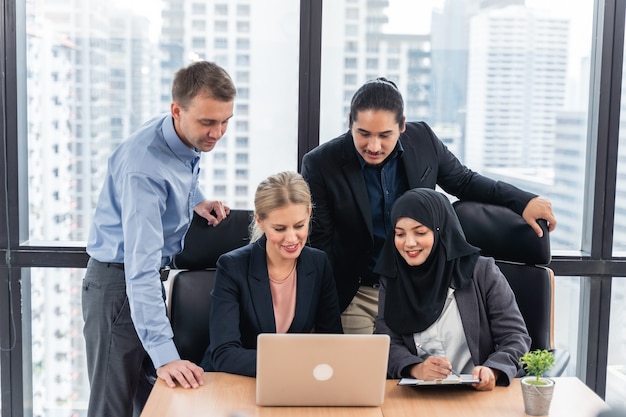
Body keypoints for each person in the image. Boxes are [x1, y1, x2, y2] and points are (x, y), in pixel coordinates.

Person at [301, 77, 557, 334]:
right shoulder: (321, 163)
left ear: (402, 126)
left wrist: (522, 201)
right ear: (350, 124)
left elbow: (465, 181)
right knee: (366, 370)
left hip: (419, 288)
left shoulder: (422, 139)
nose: (374, 146)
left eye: (384, 135)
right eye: (364, 134)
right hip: (360, 293)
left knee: (425, 370)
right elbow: (320, 245)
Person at [82, 61, 236, 417]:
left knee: (149, 407)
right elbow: (140, 269)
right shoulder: (144, 170)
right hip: (119, 288)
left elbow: (180, 170)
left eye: (225, 120)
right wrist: (166, 355)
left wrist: (195, 200)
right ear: (177, 110)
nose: (218, 132)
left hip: (135, 287)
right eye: (208, 122)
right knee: (111, 409)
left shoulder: (176, 134)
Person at [374, 188, 531, 390]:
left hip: (478, 394)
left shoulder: (482, 272)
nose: (409, 243)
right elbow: (387, 343)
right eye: (400, 234)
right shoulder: (393, 277)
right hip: (421, 396)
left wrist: (493, 370)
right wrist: (416, 368)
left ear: (441, 230)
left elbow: (515, 337)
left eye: (420, 232)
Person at [201, 171, 343, 377]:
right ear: (260, 221)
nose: (292, 238)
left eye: (299, 226)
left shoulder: (318, 263)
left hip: (293, 383)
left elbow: (332, 341)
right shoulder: (233, 266)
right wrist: (291, 364)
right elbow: (224, 354)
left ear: (309, 214)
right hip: (235, 381)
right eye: (280, 228)